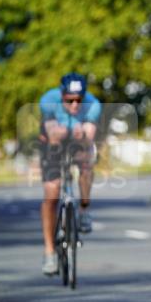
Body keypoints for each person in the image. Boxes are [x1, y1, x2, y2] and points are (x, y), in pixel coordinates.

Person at [39, 72, 101, 275]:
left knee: (86, 162)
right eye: (69, 100)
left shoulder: (93, 104)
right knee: (52, 192)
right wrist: (64, 131)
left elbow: (89, 137)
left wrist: (81, 134)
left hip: (77, 142)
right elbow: (53, 136)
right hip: (53, 145)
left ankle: (84, 208)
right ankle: (49, 252)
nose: (75, 105)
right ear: (62, 95)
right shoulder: (48, 100)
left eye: (78, 100)